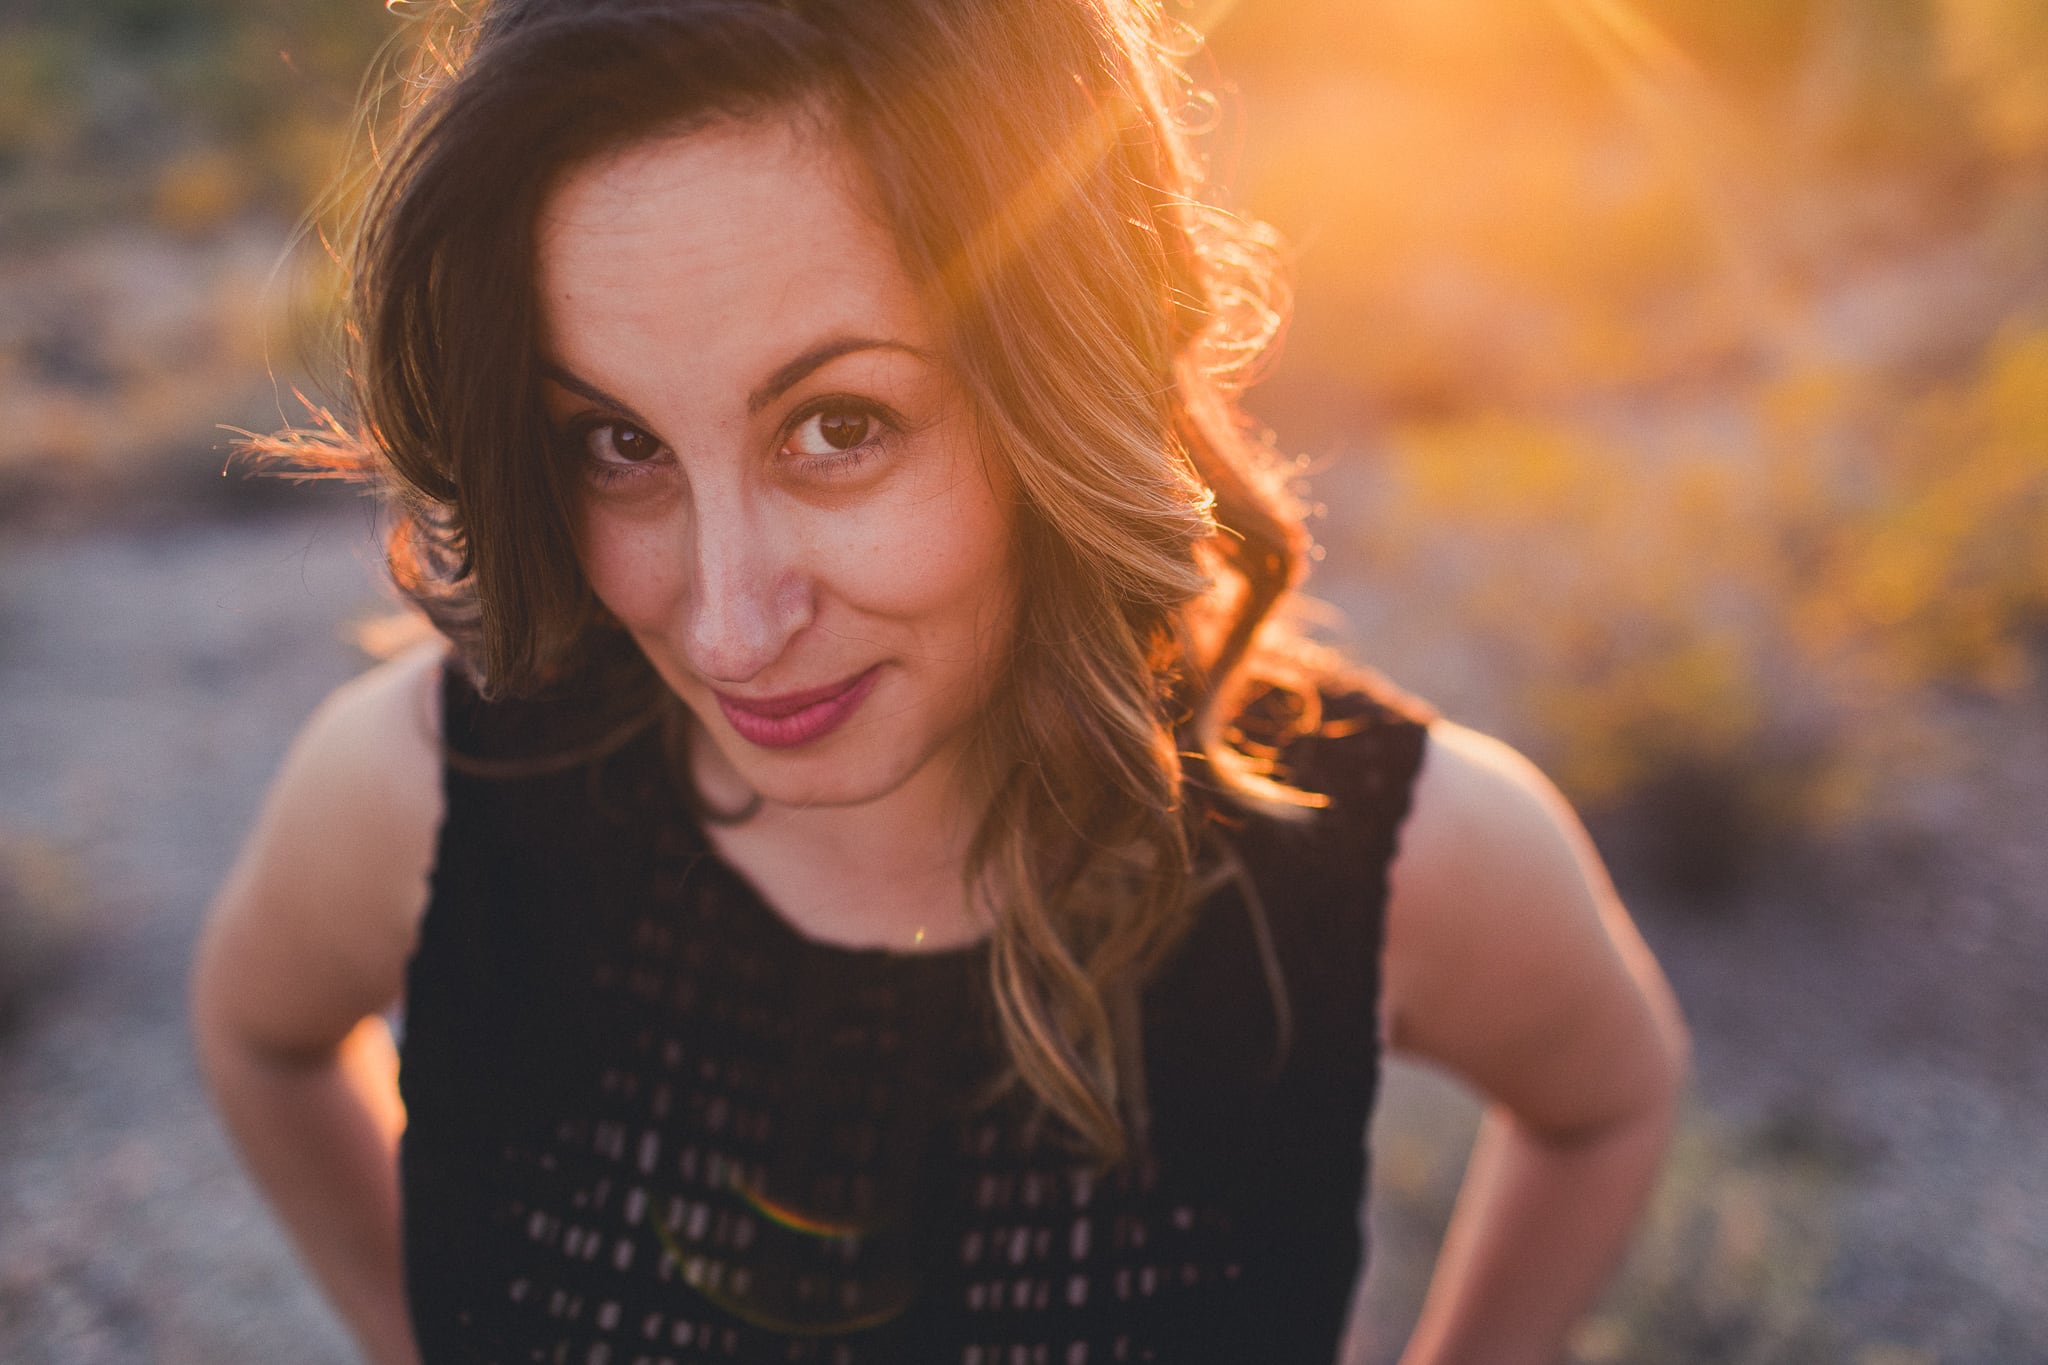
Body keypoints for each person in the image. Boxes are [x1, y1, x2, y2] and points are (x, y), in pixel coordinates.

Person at [189, 1, 1689, 1362]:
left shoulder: (1388, 852)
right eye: (619, 443)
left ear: (1068, 383)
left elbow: (1606, 1100)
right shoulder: (428, 791)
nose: (727, 627)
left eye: (839, 427)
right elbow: (260, 1036)